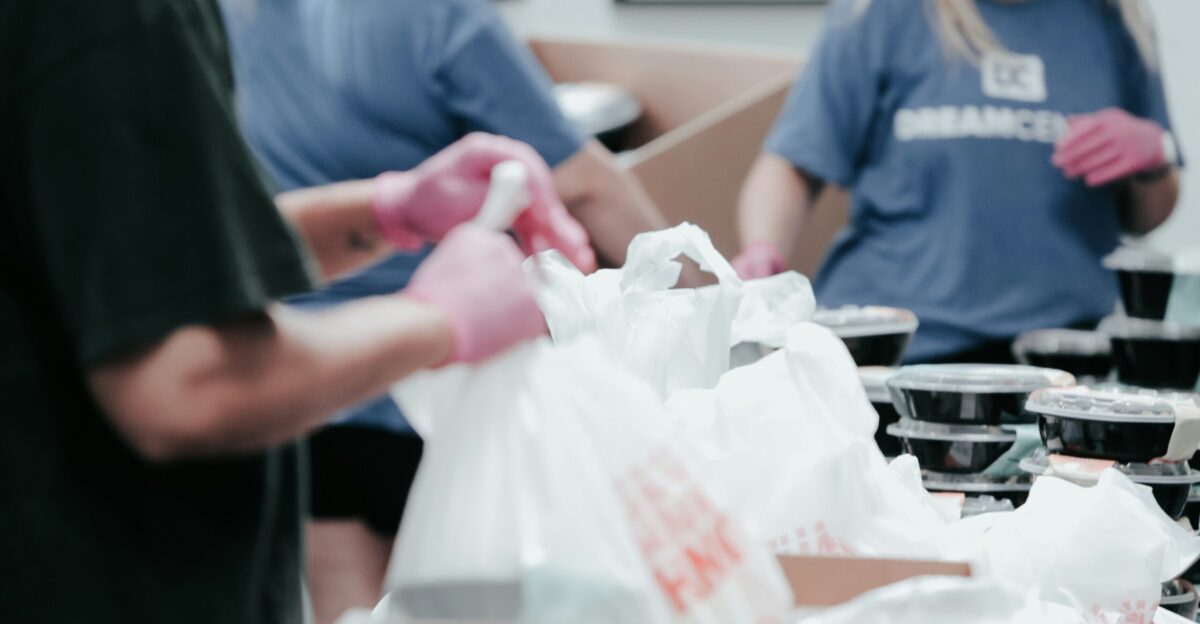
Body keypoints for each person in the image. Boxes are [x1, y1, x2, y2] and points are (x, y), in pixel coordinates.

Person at [0, 0, 593, 622]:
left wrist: (390, 211)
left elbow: (148, 257)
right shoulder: (120, 17)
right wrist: (442, 316)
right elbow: (186, 385)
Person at [215, 0, 676, 618]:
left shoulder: (228, 17)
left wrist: (396, 207)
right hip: (437, 390)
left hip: (308, 377)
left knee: (348, 607)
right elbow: (583, 182)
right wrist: (708, 297)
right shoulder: (434, 13)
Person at [734, 0, 1182, 364]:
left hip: (1063, 359)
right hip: (899, 353)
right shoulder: (878, 14)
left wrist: (1154, 159)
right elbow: (789, 167)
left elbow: (1146, 218)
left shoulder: (1113, 19)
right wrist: (763, 248)